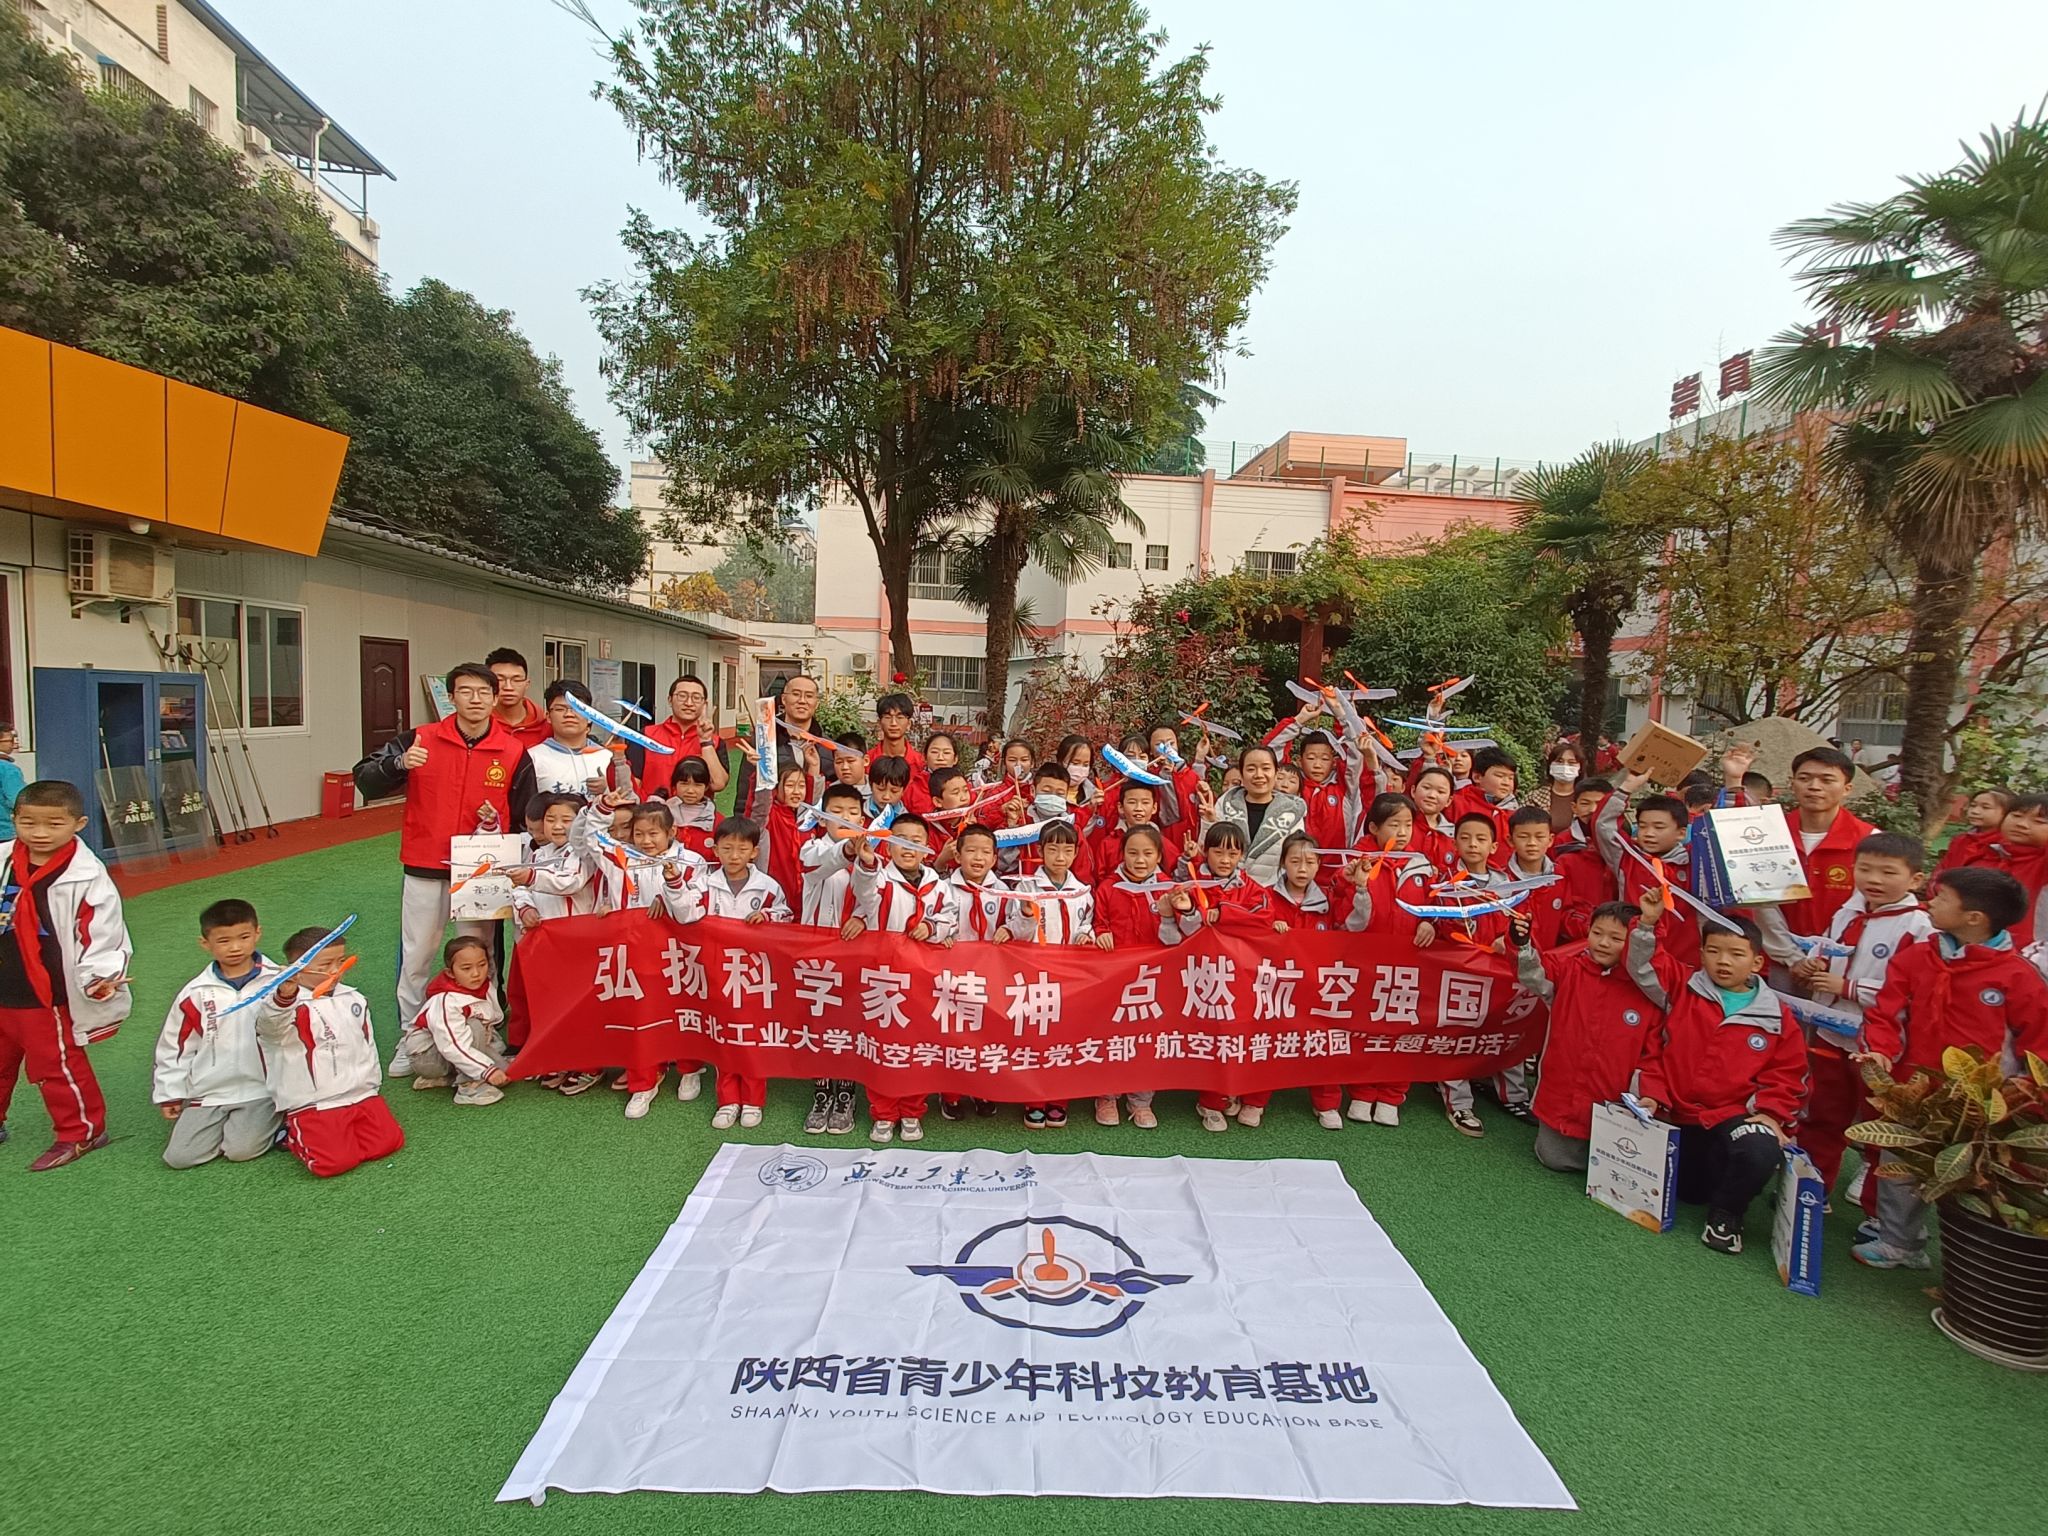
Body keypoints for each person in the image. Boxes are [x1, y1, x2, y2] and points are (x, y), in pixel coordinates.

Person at [1855, 867, 2048, 1268]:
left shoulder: (2019, 976)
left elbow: (2038, 1044)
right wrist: (1880, 1053)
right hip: (1913, 1090)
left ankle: (1981, 1262)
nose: (1930, 903)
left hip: (1984, 1103)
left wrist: (2021, 1092)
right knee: (1900, 1164)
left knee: (1979, 1178)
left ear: (1974, 918)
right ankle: (1900, 1243)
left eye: (1942, 898)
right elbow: (1886, 1014)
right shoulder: (1917, 956)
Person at [353, 662, 519, 1072]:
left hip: (480, 870)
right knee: (417, 955)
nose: (475, 700)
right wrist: (399, 764)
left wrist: (497, 830)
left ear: (495, 698)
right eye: (466, 691)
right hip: (425, 863)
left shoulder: (513, 750)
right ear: (451, 696)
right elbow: (365, 779)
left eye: (483, 692)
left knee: (481, 955)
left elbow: (524, 812)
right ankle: (412, 1037)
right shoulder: (419, 739)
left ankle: (484, 1032)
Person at [1633, 904, 1808, 1255]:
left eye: (1736, 954)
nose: (1723, 961)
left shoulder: (1776, 1016)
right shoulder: (1682, 988)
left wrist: (1771, 1112)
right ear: (1701, 955)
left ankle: (1727, 1215)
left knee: (1761, 1147)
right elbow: (1644, 969)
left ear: (1757, 962)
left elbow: (1789, 1074)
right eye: (1713, 951)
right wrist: (1647, 923)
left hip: (1731, 1115)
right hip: (1674, 1110)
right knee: (1691, 1193)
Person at [1789, 831, 1933, 1198]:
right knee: (1822, 1113)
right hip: (1829, 1033)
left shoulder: (1919, 927)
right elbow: (1828, 947)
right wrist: (1815, 964)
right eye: (1865, 869)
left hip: (1880, 1046)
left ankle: (1876, 1207)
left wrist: (1849, 987)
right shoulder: (1848, 911)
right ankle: (1811, 1192)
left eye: (1888, 872)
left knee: (1879, 1123)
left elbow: (1914, 992)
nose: (1874, 879)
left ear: (1915, 879)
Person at [0, 780, 131, 1170]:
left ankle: (82, 1131)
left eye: (54, 824)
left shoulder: (87, 874)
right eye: (29, 823)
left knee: (54, 1065)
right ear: (14, 819)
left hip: (45, 991)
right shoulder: (4, 858)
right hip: (4, 978)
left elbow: (102, 933)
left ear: (79, 824)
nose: (40, 833)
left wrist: (100, 976)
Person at [1511, 893, 1677, 1172]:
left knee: (1617, 1162)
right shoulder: (1570, 969)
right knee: (1553, 1158)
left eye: (1616, 938)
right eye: (1596, 933)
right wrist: (1522, 943)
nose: (1603, 943)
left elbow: (1652, 1056)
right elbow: (1534, 973)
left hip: (1614, 1103)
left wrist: (1650, 1095)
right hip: (1562, 1094)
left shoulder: (1647, 993)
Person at [255, 925, 404, 1179]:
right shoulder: (285, 1005)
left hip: (360, 1093)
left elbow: (367, 1044)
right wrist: (284, 996)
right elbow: (270, 1029)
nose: (336, 971)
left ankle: (343, 1128)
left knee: (389, 1143)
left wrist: (371, 1084)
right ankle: (291, 1133)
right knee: (333, 1163)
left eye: (341, 961)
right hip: (316, 1101)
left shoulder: (354, 998)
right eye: (325, 965)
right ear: (297, 969)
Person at [152, 898, 280, 1169]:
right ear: (205, 943)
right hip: (209, 1091)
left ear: (258, 933)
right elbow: (175, 1046)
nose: (235, 947)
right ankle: (235, 1127)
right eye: (223, 941)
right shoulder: (195, 993)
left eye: (244, 937)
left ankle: (277, 1122)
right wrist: (170, 1092)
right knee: (180, 1158)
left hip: (262, 1089)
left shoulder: (278, 981)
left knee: (241, 1150)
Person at [862, 814, 954, 1143]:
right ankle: (884, 1112)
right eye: (900, 840)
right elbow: (864, 894)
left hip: (923, 979)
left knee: (919, 1047)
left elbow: (950, 919)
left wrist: (932, 928)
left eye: (916, 842)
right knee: (884, 1048)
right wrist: (866, 863)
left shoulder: (938, 886)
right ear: (888, 845)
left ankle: (913, 1110)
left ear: (928, 848)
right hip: (884, 978)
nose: (908, 848)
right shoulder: (879, 880)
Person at [700, 815, 794, 1130]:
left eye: (742, 849)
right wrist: (670, 888)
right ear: (715, 850)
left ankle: (753, 1099)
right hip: (717, 971)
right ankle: (728, 1100)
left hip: (755, 974)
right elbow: (685, 911)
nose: (734, 855)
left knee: (752, 1038)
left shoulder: (767, 887)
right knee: (724, 1036)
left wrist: (766, 916)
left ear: (754, 852)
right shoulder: (704, 883)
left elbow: (786, 915)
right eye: (727, 848)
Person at [1009, 818, 1096, 1131]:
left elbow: (1088, 923)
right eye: (1053, 849)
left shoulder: (1082, 891)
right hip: (1035, 975)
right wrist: (1026, 916)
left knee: (1064, 1039)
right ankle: (1033, 1100)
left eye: (1067, 850)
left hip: (1070, 976)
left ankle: (1059, 1099)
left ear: (1075, 853)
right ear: (1040, 851)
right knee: (1035, 1038)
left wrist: (1086, 935)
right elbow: (1017, 931)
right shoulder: (1026, 887)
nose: (1060, 857)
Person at [1091, 824, 1172, 1129]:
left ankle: (1141, 1099)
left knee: (1147, 1039)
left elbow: (1180, 934)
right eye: (1133, 853)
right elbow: (1098, 922)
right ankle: (1106, 1095)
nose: (1140, 860)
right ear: (1122, 854)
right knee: (1111, 1036)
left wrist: (1169, 913)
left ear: (1159, 856)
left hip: (1153, 978)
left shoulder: (1168, 888)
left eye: (1148, 853)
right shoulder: (1108, 888)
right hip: (1114, 977)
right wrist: (1101, 933)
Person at [401, 936, 511, 1107]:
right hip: (428, 1057)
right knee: (474, 1027)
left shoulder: (484, 986)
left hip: (449, 1049)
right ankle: (468, 1087)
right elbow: (451, 1045)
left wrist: (495, 1063)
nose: (476, 973)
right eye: (466, 968)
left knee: (505, 1072)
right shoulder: (446, 1001)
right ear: (450, 973)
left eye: (482, 965)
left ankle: (448, 1078)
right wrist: (487, 1070)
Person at [1779, 747, 1876, 937]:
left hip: (1843, 949)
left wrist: (1829, 948)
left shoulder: (1869, 840)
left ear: (1847, 789)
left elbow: (1871, 904)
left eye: (1827, 780)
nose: (1814, 786)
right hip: (1775, 950)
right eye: (1804, 778)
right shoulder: (1771, 834)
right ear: (1792, 784)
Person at [506, 679, 635, 816]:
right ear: (548, 716)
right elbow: (524, 810)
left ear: (590, 716)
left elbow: (630, 804)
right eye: (560, 709)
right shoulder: (532, 758)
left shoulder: (608, 757)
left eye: (578, 708)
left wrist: (607, 788)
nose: (569, 714)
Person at [1208, 745, 1308, 887]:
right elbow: (1208, 850)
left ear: (1276, 773)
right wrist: (1208, 822)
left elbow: (1294, 860)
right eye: (1251, 769)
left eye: (1266, 768)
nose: (1259, 775)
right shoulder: (1225, 804)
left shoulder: (1291, 813)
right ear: (1241, 775)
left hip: (1271, 894)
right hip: (1226, 891)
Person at [734, 672, 827, 812]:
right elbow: (745, 793)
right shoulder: (764, 742)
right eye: (796, 694)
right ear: (784, 699)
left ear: (816, 703)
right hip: (771, 821)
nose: (802, 701)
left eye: (809, 696)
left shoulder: (826, 746)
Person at [638, 673, 731, 799]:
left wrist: (705, 742)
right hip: (653, 810)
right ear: (670, 700)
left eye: (696, 698)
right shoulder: (646, 736)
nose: (689, 703)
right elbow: (633, 784)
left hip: (695, 811)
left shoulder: (715, 742)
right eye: (682, 696)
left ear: (704, 704)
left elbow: (718, 784)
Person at [1935, 788, 2017, 875]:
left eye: (1985, 807)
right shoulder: (1961, 840)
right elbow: (1942, 869)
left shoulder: (2007, 846)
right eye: (1973, 805)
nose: (1974, 811)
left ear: (2007, 813)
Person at [484, 648, 552, 750]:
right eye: (500, 679)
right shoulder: (477, 722)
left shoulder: (547, 725)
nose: (508, 687)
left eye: (516, 680)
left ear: (527, 684)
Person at [0, 722, 23, 841]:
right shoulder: (8, 769)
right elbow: (17, 799)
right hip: (4, 830)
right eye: (10, 740)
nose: (13, 744)